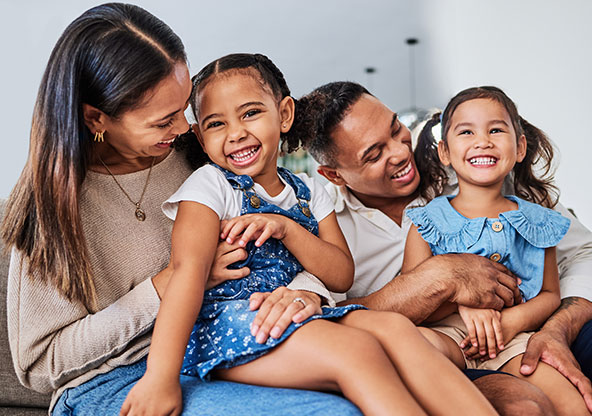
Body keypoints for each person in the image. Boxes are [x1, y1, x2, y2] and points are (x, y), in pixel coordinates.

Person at [1, 5, 363, 415]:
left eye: (184, 108)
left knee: (360, 383)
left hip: (217, 343)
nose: (183, 129)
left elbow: (285, 238)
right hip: (109, 382)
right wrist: (165, 286)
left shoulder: (197, 154)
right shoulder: (50, 203)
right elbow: (40, 365)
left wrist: (306, 293)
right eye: (162, 121)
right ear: (95, 118)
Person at [121, 52, 497, 416]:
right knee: (358, 352)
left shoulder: (308, 191)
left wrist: (286, 228)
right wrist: (160, 377)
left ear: (284, 115)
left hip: (300, 318)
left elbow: (340, 275)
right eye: (216, 124)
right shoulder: (210, 185)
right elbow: (187, 273)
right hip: (227, 326)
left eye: (250, 113)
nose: (236, 134)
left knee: (396, 328)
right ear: (202, 139)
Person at [254, 80, 592, 414]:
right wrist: (442, 279)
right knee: (523, 405)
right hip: (438, 351)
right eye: (374, 155)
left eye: (396, 128)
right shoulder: (326, 227)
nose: (401, 152)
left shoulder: (475, 164)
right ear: (334, 175)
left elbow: (582, 253)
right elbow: (331, 316)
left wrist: (556, 328)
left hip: (519, 332)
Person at [400, 86, 587, 414]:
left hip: (513, 339)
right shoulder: (426, 220)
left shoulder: (539, 221)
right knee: (407, 345)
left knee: (572, 403)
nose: (483, 140)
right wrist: (464, 302)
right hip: (447, 335)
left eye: (496, 130)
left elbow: (548, 295)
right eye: (466, 131)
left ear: (519, 147)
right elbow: (414, 295)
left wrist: (511, 322)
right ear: (445, 151)